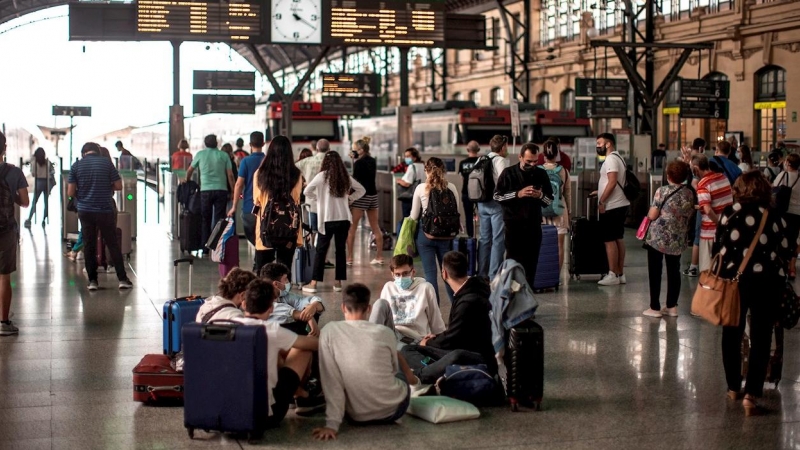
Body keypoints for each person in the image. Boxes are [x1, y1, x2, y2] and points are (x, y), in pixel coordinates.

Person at [714, 172, 794, 416]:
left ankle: (733, 387)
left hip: (734, 282)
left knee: (731, 333)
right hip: (767, 282)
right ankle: (751, 395)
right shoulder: (775, 216)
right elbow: (785, 249)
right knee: (761, 337)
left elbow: (720, 247)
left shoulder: (730, 212)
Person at [313, 283, 419, 441]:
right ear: (369, 308)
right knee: (396, 359)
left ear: (343, 307)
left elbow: (331, 381)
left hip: (357, 415)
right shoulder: (385, 332)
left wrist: (332, 425)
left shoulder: (329, 331)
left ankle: (412, 380)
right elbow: (392, 370)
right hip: (394, 409)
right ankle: (415, 381)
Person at [230, 279, 320, 426]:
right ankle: (303, 397)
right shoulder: (271, 330)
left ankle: (300, 393)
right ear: (271, 308)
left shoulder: (230, 324)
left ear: (244, 304)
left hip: (231, 412)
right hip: (265, 415)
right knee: (302, 348)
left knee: (275, 352)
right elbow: (314, 344)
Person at [399, 251, 496, 384]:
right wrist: (436, 338)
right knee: (408, 349)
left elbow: (453, 339)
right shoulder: (476, 288)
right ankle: (436, 371)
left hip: (478, 357)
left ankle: (421, 375)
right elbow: (457, 332)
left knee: (454, 355)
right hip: (465, 347)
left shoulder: (468, 301)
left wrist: (428, 342)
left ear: (444, 273)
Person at [67, 142, 133, 291]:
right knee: (112, 244)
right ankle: (122, 279)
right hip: (105, 210)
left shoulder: (76, 166)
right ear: (97, 152)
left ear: (84, 153)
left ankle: (92, 281)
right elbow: (119, 186)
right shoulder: (107, 163)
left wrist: (83, 193)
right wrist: (104, 187)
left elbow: (70, 193)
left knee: (89, 244)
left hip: (85, 210)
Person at [302, 151, 365, 293]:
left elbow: (307, 191)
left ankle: (313, 283)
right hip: (343, 219)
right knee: (340, 250)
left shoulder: (321, 176)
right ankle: (338, 283)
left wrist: (318, 199)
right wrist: (350, 199)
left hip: (327, 219)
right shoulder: (345, 177)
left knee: (321, 250)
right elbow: (362, 190)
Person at [494, 143, 553, 289]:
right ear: (520, 157)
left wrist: (540, 195)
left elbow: (549, 200)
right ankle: (512, 299)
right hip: (513, 226)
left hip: (533, 225)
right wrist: (517, 194)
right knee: (513, 264)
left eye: (535, 161)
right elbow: (497, 196)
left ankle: (527, 301)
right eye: (528, 161)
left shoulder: (541, 174)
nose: (532, 165)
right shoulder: (508, 173)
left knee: (531, 265)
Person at [641, 160, 695, 318]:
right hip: (677, 237)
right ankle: (672, 306)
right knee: (674, 271)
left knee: (655, 270)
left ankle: (655, 307)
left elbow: (652, 214)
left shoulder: (662, 191)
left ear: (669, 175)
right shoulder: (689, 192)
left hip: (658, 237)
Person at [409, 157, 464, 303]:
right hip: (446, 236)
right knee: (449, 273)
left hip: (426, 236)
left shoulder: (421, 188)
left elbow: (414, 216)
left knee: (430, 274)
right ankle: (457, 308)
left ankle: (435, 313)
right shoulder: (451, 187)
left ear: (426, 170)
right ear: (443, 170)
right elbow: (456, 212)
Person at [253, 135, 304, 274]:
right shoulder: (296, 174)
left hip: (265, 228)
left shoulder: (260, 174)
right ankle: (283, 295)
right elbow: (297, 199)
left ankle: (264, 295)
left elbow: (256, 200)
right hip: (289, 228)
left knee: (263, 270)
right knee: (284, 270)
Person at [369, 254, 445, 343]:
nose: (401, 278)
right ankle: (371, 342)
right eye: (397, 274)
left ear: (413, 272)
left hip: (415, 338)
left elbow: (435, 317)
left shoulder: (425, 288)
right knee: (380, 304)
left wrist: (441, 340)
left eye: (405, 273)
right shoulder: (388, 287)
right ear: (392, 274)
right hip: (394, 334)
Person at [0, 131, 30, 336]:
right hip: (5, 230)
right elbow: (25, 201)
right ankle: (4, 323)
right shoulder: (14, 172)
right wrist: (14, 198)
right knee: (3, 277)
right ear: (4, 148)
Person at [185, 134, 235, 252]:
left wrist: (186, 180)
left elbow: (190, 170)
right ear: (216, 143)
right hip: (221, 190)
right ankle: (216, 246)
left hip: (205, 191)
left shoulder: (200, 155)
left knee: (205, 218)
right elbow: (230, 175)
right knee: (219, 219)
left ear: (205, 144)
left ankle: (205, 246)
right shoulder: (224, 155)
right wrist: (233, 190)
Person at [593, 133, 630, 286]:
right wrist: (599, 191)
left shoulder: (610, 159)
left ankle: (612, 274)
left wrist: (602, 200)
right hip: (620, 204)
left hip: (613, 205)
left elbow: (613, 182)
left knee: (609, 240)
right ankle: (620, 273)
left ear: (608, 144)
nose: (597, 146)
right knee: (618, 238)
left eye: (599, 143)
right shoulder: (618, 157)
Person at [346, 137, 385, 266]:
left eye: (355, 149)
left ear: (361, 150)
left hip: (361, 196)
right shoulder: (373, 161)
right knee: (376, 227)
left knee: (352, 227)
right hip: (373, 196)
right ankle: (379, 257)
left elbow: (356, 181)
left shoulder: (358, 163)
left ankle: (350, 258)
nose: (353, 151)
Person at [692, 153, 733, 272]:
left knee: (707, 271)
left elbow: (708, 210)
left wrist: (718, 224)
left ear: (696, 168)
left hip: (710, 232)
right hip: (726, 230)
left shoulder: (703, 184)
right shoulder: (723, 177)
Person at [228, 132, 266, 257]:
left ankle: (259, 262)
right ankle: (262, 261)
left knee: (253, 237)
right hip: (267, 209)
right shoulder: (268, 160)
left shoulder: (246, 161)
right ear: (263, 143)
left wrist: (234, 206)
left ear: (250, 144)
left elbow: (238, 185)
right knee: (263, 239)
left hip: (249, 207)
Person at [478, 135, 511, 281]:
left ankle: (482, 273)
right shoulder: (500, 160)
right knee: (498, 239)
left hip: (481, 203)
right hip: (496, 203)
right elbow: (503, 182)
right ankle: (493, 276)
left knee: (485, 239)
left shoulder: (481, 159)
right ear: (503, 147)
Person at [259, 262, 324, 336]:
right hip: (272, 334)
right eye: (285, 279)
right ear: (276, 284)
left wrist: (314, 305)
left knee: (312, 309)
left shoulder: (284, 295)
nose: (288, 282)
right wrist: (308, 317)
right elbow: (282, 310)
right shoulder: (260, 298)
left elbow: (304, 301)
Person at [540, 141, 571, 276]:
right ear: (557, 154)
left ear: (543, 154)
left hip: (543, 211)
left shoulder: (538, 170)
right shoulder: (564, 171)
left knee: (543, 245)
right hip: (559, 211)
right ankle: (555, 276)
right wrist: (568, 211)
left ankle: (544, 274)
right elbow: (567, 194)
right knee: (559, 246)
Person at [681, 138, 708, 277]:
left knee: (698, 236)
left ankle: (693, 267)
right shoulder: (714, 176)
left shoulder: (697, 177)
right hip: (700, 204)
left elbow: (694, 184)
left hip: (700, 205)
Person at [773, 153, 800, 279]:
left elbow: (774, 188)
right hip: (797, 213)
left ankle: (783, 264)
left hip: (784, 211)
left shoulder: (783, 175)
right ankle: (792, 267)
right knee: (794, 238)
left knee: (782, 237)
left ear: (788, 163)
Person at [457, 141, 480, 238]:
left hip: (467, 192)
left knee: (468, 216)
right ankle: (483, 234)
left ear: (467, 150)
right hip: (480, 193)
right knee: (483, 215)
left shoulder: (463, 163)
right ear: (478, 150)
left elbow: (462, 178)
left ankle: (470, 237)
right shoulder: (481, 162)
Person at [25, 147, 51, 229]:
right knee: (46, 202)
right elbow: (51, 171)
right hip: (47, 183)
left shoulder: (35, 162)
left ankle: (29, 219)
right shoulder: (47, 162)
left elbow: (33, 173)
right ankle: (43, 220)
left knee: (34, 202)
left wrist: (33, 158)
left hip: (39, 182)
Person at [396, 147, 426, 218]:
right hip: (421, 195)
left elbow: (407, 183)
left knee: (408, 219)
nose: (406, 158)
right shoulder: (423, 165)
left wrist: (399, 181)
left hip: (410, 197)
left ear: (415, 158)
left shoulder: (412, 167)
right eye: (405, 156)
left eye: (408, 156)